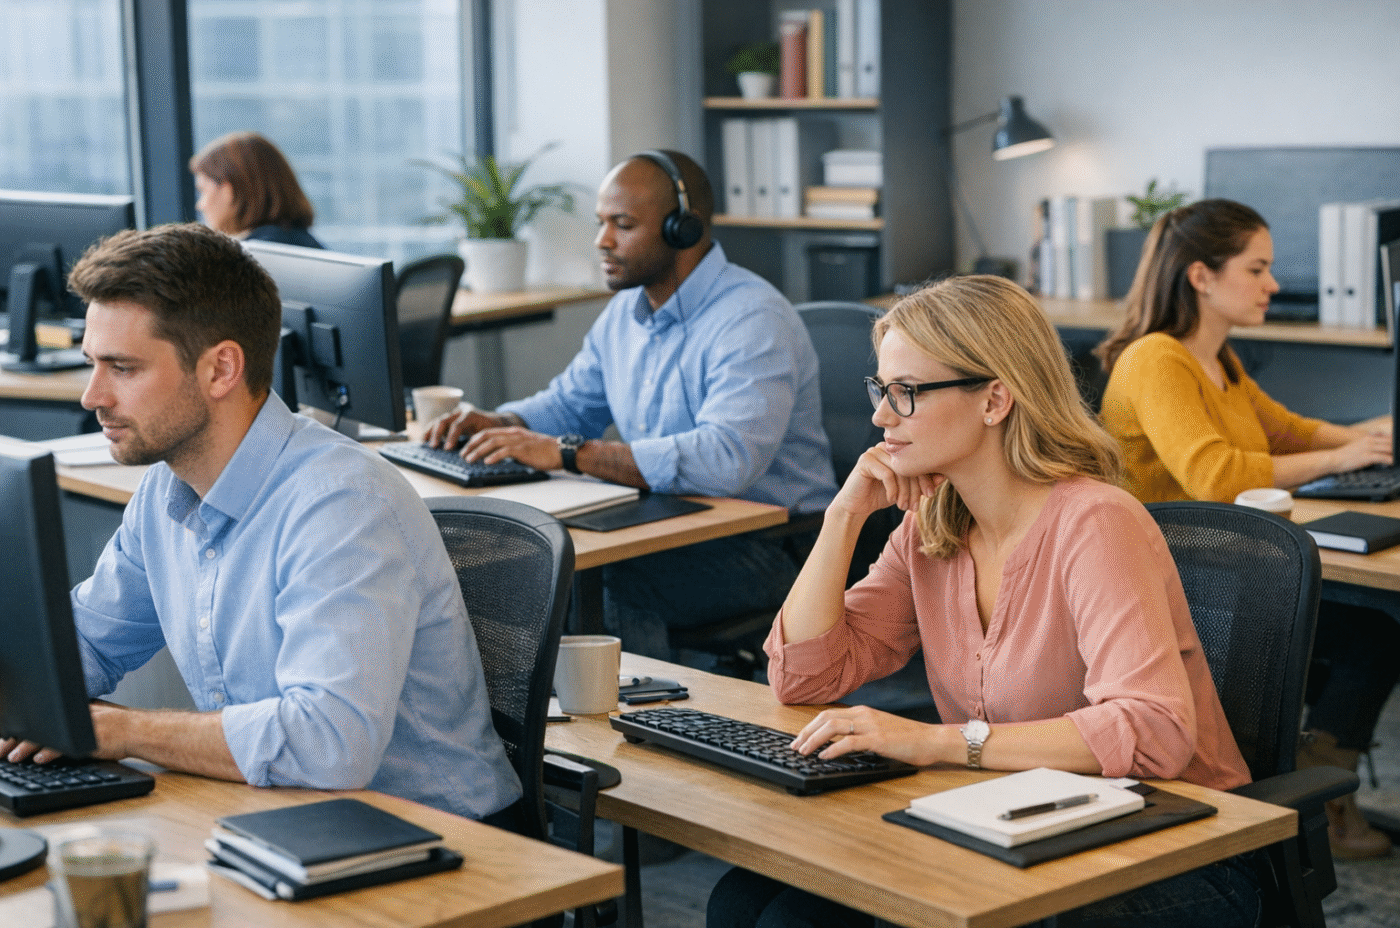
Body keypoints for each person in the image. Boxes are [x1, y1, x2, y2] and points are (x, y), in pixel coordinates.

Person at [708, 275, 1261, 928]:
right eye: (880, 391)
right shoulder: (932, 524)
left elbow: (1154, 732)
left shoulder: (1096, 523)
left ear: (995, 399)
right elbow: (804, 676)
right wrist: (843, 517)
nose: (881, 416)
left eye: (906, 393)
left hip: (1173, 849)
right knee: (743, 900)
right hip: (1017, 823)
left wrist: (939, 743)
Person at [0, 223, 520, 823]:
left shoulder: (339, 502)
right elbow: (81, 645)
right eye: (93, 363)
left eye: (122, 368)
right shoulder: (165, 491)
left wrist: (123, 731)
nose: (91, 396)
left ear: (221, 369)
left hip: (440, 843)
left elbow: (330, 743)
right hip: (278, 818)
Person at [425, 149, 838, 659]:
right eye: (602, 223)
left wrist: (570, 453)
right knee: (514, 557)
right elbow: (572, 403)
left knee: (599, 578)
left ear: (682, 229)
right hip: (677, 521)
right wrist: (505, 422)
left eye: (622, 225)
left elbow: (726, 458)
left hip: (773, 545)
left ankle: (636, 726)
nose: (602, 241)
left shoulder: (751, 320)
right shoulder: (627, 312)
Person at [1098, 198, 1398, 860]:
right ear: (1201, 276)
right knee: (1376, 628)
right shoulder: (1158, 359)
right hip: (1183, 587)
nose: (1272, 285)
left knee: (1378, 626)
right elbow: (1215, 475)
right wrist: (1342, 457)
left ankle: (1319, 771)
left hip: (1230, 567)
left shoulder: (1219, 360)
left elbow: (1290, 428)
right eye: (1257, 269)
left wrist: (1375, 436)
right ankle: (1320, 785)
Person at [190, 131, 324, 249]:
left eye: (203, 191)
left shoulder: (248, 259)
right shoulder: (306, 245)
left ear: (228, 191)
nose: (200, 205)